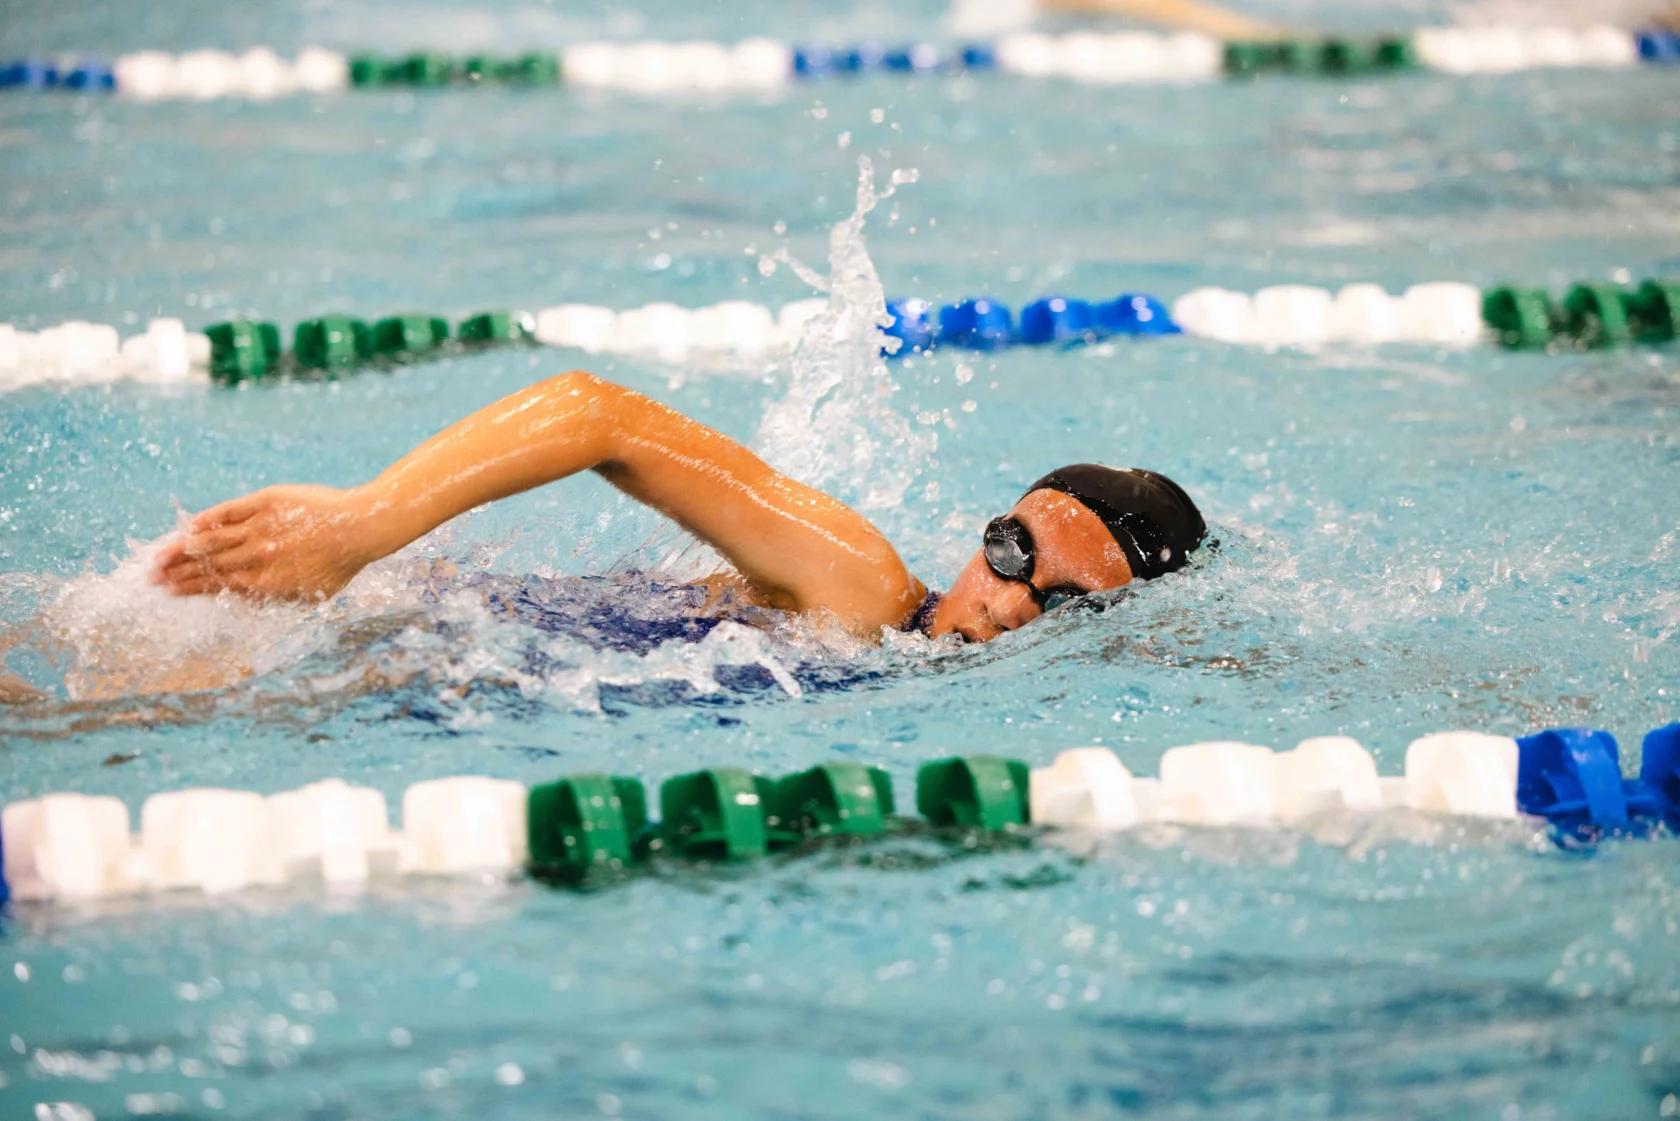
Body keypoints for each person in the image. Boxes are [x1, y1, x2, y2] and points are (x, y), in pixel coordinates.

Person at [151, 370, 1207, 644]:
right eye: (1013, 550)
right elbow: (594, 413)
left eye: (1064, 605)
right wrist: (355, 526)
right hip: (411, 633)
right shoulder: (863, 584)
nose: (1013, 600)